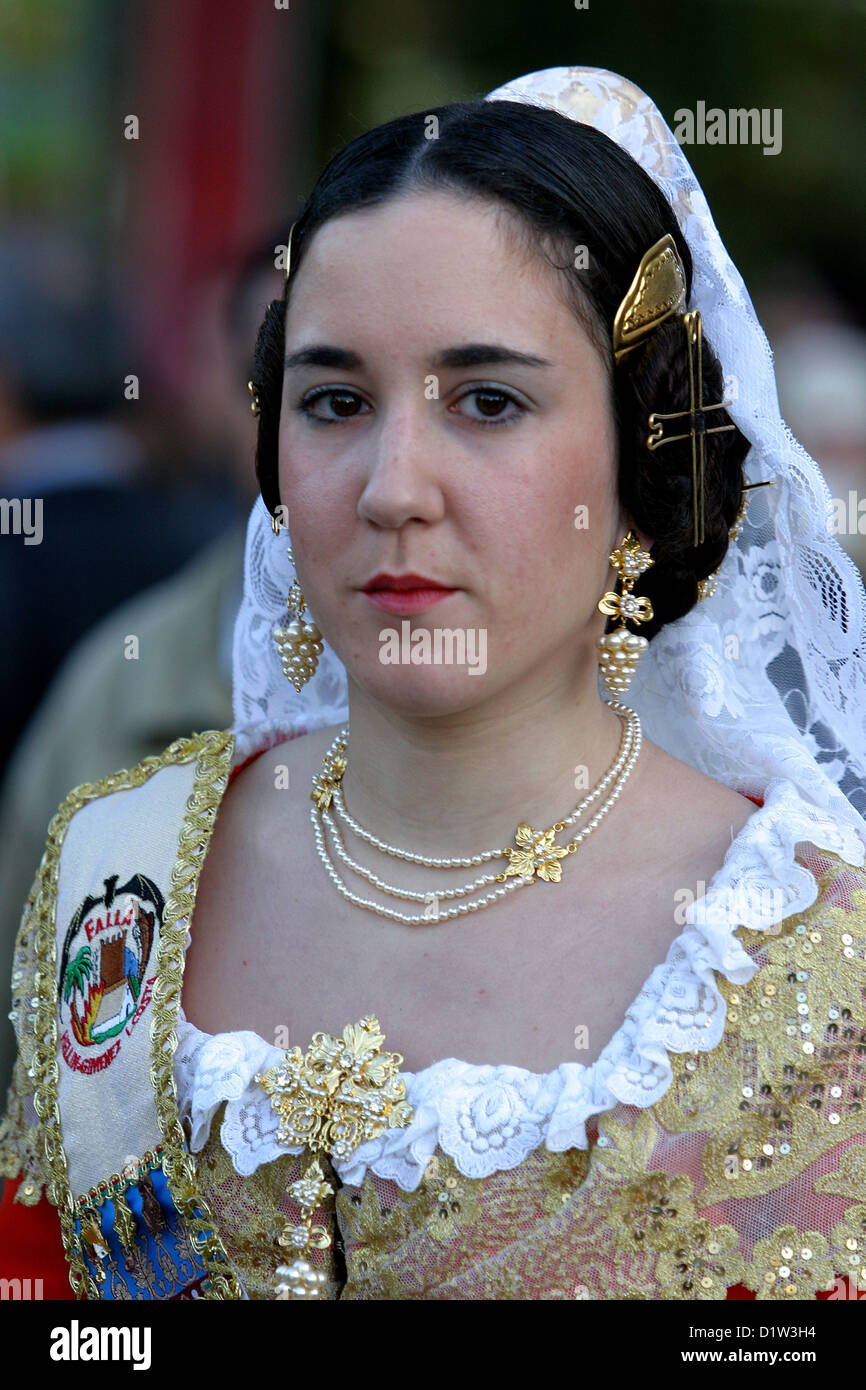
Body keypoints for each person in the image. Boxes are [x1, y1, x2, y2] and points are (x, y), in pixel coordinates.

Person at [1, 66, 865, 1302]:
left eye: (489, 402)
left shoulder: (804, 956)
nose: (392, 487)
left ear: (637, 455)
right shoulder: (117, 867)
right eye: (336, 401)